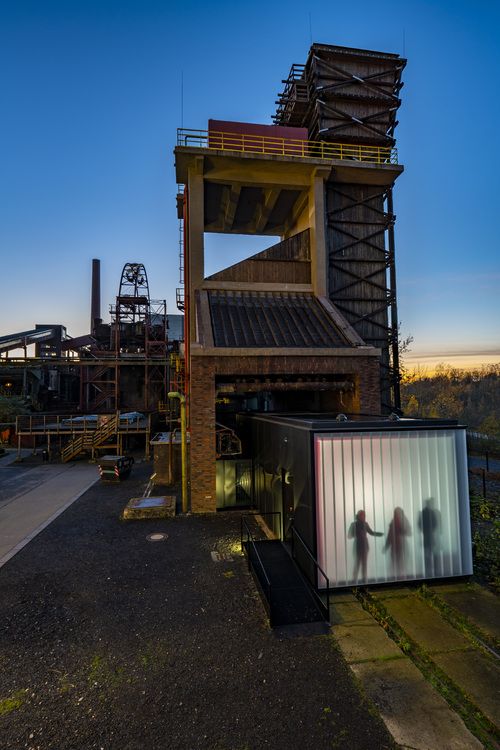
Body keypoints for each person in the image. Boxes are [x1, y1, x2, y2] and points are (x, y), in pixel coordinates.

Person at [348, 510, 383, 583]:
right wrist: (356, 534)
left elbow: (371, 533)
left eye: (364, 515)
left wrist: (380, 534)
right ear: (358, 516)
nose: (363, 516)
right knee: (357, 564)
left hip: (364, 547)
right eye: (362, 515)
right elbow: (349, 536)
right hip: (358, 546)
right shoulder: (354, 524)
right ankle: (354, 581)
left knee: (364, 564)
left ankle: (364, 581)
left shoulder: (365, 524)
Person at [384, 507, 411, 578]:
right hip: (396, 545)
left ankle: (400, 578)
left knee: (401, 563)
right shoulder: (394, 522)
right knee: (395, 563)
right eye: (396, 513)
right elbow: (390, 535)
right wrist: (386, 546)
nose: (396, 514)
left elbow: (409, 532)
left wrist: (401, 531)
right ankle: (396, 578)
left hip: (401, 545)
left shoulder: (403, 521)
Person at [418, 498, 441, 577]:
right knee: (432, 553)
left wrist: (424, 530)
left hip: (427, 535)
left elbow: (419, 524)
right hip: (430, 535)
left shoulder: (424, 512)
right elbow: (435, 523)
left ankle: (428, 570)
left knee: (427, 553)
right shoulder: (431, 512)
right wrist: (431, 530)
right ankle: (434, 570)